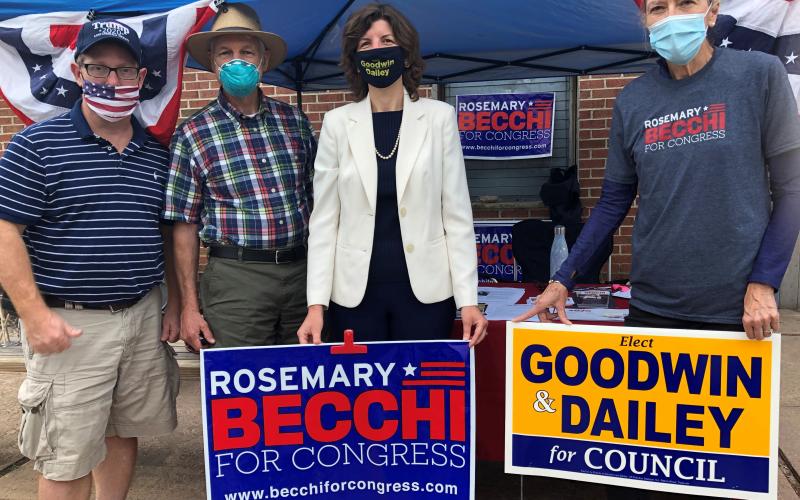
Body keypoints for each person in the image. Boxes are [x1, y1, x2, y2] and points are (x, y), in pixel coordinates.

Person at [516, 1, 800, 336]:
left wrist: (764, 282)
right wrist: (563, 278)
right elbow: (612, 203)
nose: (671, 18)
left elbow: (792, 189)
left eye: (685, 4)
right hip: (652, 303)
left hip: (736, 306)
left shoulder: (759, 74)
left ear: (712, 13)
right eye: (658, 9)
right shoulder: (633, 99)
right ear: (646, 23)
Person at [0, 20, 180, 499]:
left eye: (125, 71)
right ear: (79, 73)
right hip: (71, 326)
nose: (112, 81)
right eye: (99, 68)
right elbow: (4, 232)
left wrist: (175, 305)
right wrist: (33, 315)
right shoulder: (36, 145)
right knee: (66, 453)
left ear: (141, 80)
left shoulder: (153, 154)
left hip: (142, 315)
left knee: (122, 432)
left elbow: (163, 234)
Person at [297, 4, 488, 346]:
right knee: (363, 396)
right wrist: (316, 304)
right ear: (354, 58)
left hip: (427, 294)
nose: (377, 49)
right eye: (366, 44)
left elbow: (456, 215)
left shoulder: (439, 118)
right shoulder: (337, 124)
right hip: (354, 296)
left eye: (387, 40)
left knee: (423, 395)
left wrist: (468, 300)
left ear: (406, 51)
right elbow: (324, 220)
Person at [165, 3, 316, 350]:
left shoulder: (294, 121)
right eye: (226, 53)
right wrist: (190, 306)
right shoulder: (193, 133)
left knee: (307, 387)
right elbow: (183, 225)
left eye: (246, 52)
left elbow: (316, 199)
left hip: (303, 273)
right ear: (213, 63)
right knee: (241, 388)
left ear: (262, 60)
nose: (237, 61)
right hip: (237, 279)